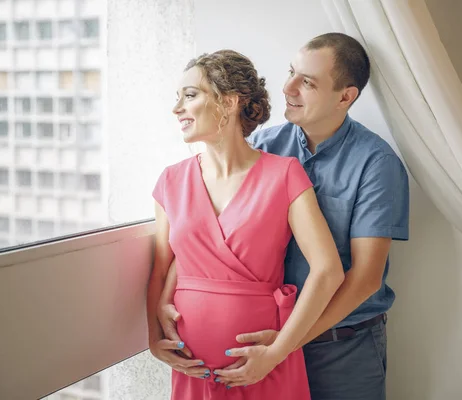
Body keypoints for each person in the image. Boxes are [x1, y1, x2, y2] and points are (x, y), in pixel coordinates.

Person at [157, 33, 410, 399]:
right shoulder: (262, 146)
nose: (288, 87)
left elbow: (366, 278)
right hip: (264, 344)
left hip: (341, 346)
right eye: (292, 72)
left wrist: (285, 346)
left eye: (306, 82)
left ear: (345, 96)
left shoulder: (376, 164)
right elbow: (203, 235)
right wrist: (167, 296)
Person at [147, 49, 345, 400]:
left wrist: (276, 353)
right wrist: (153, 339)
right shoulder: (170, 181)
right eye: (177, 98)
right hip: (191, 368)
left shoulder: (284, 175)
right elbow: (162, 268)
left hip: (263, 365)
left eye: (190, 95)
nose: (177, 108)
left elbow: (328, 271)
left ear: (229, 102)